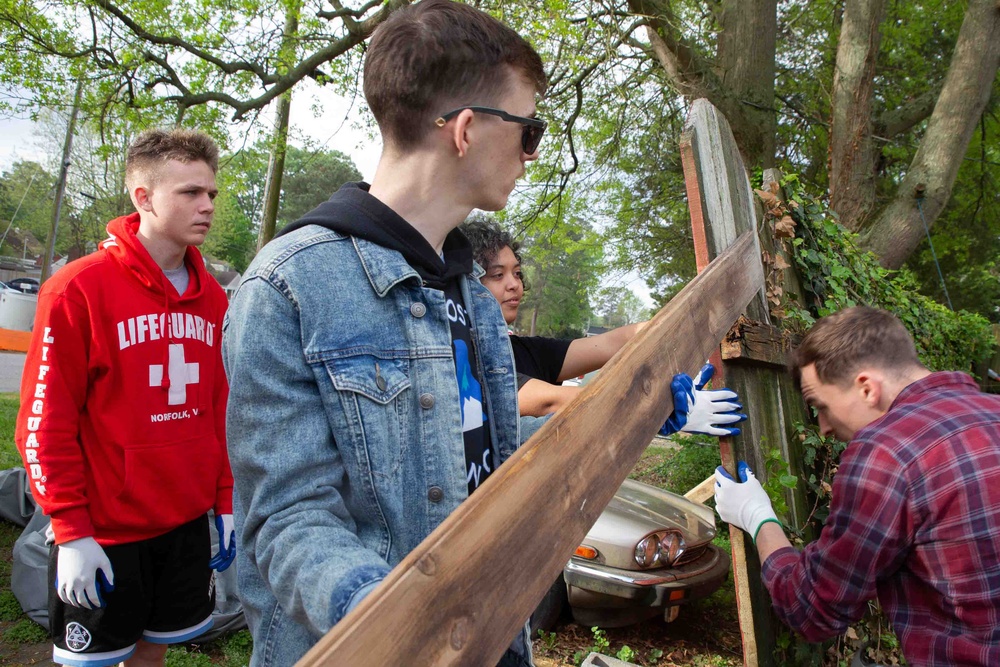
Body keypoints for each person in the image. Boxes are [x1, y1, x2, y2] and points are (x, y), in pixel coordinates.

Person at [223, 2, 734, 665]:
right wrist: (401, 617)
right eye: (529, 131)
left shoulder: (469, 293)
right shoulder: (288, 287)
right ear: (465, 129)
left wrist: (636, 416)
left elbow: (477, 456)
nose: (530, 154)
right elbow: (287, 519)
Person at [14, 129, 236, 667]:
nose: (206, 205)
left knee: (152, 653)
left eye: (210, 193)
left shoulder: (214, 299)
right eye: (189, 192)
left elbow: (218, 409)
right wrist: (69, 531)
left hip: (184, 525)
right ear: (143, 197)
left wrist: (225, 500)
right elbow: (44, 423)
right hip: (104, 531)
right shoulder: (77, 290)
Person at [714, 306, 1000, 665]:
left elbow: (812, 609)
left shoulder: (886, 452)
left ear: (866, 388)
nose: (823, 428)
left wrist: (757, 517)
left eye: (819, 405)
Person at [462, 215, 745, 437]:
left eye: (517, 273)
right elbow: (550, 402)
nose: (514, 284)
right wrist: (651, 407)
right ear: (465, 282)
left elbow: (612, 343)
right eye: (497, 275)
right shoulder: (464, 356)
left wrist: (694, 321)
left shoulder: (523, 350)